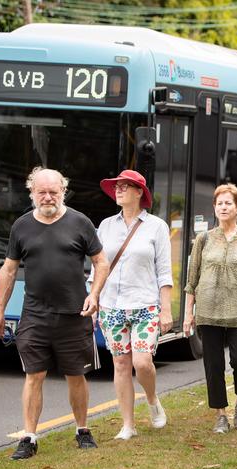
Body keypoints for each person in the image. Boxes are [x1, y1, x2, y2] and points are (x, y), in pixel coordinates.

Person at [0, 167, 109, 460]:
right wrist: (0, 313)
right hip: (34, 315)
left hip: (74, 314)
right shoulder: (21, 226)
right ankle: (29, 438)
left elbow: (101, 262)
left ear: (63, 192)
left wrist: (93, 295)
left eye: (53, 192)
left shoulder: (80, 223)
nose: (47, 197)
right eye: (41, 192)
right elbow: (8, 270)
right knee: (34, 375)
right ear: (32, 193)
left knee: (76, 375)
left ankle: (82, 430)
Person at [92, 170, 173, 440]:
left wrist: (166, 309)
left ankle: (152, 400)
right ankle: (128, 425)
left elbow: (164, 272)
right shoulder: (105, 226)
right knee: (121, 364)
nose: (119, 190)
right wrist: (92, 298)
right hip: (111, 306)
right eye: (117, 186)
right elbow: (98, 267)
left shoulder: (156, 227)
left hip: (145, 305)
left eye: (126, 187)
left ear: (140, 193)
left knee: (142, 362)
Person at [184, 184, 237, 433]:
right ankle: (220, 414)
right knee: (213, 365)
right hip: (208, 312)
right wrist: (189, 313)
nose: (223, 207)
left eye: (228, 203)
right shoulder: (204, 239)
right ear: (214, 207)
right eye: (219, 203)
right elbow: (192, 280)